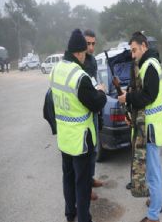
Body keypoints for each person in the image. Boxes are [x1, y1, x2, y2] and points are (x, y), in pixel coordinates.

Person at [49, 28, 106, 222]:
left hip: (64, 139)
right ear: (80, 52)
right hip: (81, 141)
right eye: (84, 52)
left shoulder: (55, 70)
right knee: (82, 184)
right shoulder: (79, 77)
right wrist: (101, 91)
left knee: (68, 178)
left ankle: (70, 214)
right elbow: (96, 103)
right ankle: (83, 218)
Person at [118, 31, 162, 222]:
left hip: (151, 130)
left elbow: (149, 96)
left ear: (144, 46)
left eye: (135, 50)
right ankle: (157, 201)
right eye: (131, 51)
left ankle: (154, 214)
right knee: (154, 170)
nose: (133, 55)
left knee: (154, 173)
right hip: (150, 127)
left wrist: (127, 98)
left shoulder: (150, 65)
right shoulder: (148, 63)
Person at [83, 29, 104, 201]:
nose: (90, 47)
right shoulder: (80, 62)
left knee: (94, 147)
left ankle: (90, 179)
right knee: (88, 150)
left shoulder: (93, 61)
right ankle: (86, 187)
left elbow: (93, 82)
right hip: (83, 114)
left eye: (93, 44)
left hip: (94, 110)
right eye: (87, 43)